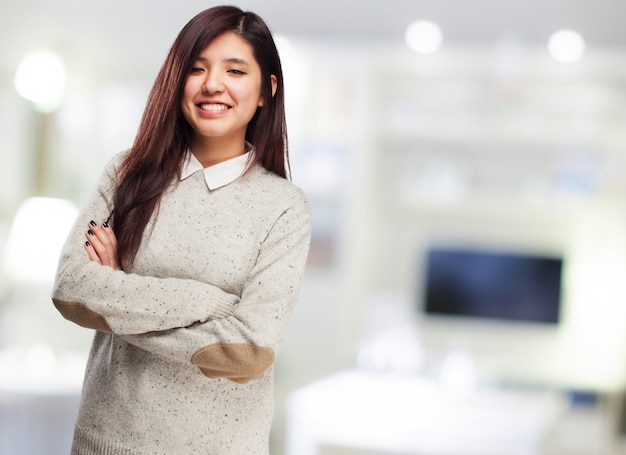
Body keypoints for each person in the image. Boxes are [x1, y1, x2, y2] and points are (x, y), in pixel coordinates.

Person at [51, 5, 311, 454]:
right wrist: (209, 303)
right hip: (105, 442)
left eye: (235, 70)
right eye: (197, 68)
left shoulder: (284, 208)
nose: (213, 84)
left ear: (267, 89)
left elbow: (248, 353)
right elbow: (73, 288)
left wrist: (118, 291)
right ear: (178, 81)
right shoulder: (126, 174)